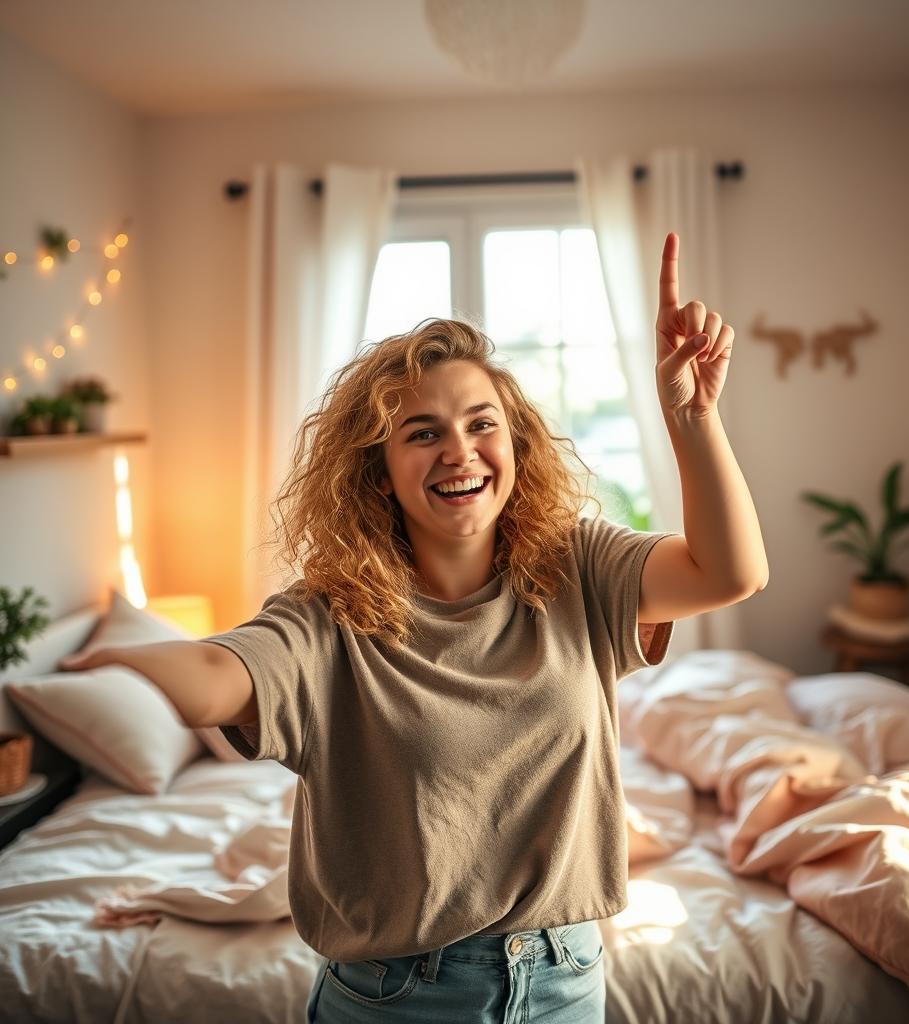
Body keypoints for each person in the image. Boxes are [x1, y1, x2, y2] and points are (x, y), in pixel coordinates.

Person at [59, 232, 769, 1023]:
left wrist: (692, 414)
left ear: (515, 440)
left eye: (481, 423)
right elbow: (219, 681)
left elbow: (729, 573)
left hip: (569, 978)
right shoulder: (330, 616)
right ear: (380, 467)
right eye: (422, 432)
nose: (459, 452)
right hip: (395, 998)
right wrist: (126, 656)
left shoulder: (576, 567)